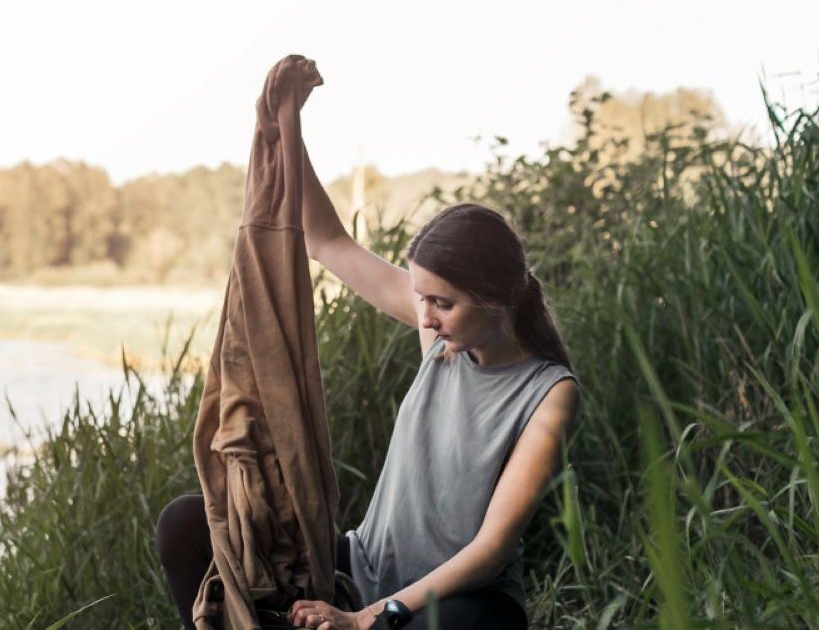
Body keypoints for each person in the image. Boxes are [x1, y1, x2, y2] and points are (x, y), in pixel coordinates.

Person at [156, 112, 579, 630]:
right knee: (185, 523)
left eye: (442, 303)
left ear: (496, 297)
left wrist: (368, 618)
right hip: (361, 567)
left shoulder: (549, 392)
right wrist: (289, 125)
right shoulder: (440, 339)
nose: (424, 317)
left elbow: (491, 548)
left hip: (460, 601)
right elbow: (329, 242)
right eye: (421, 298)